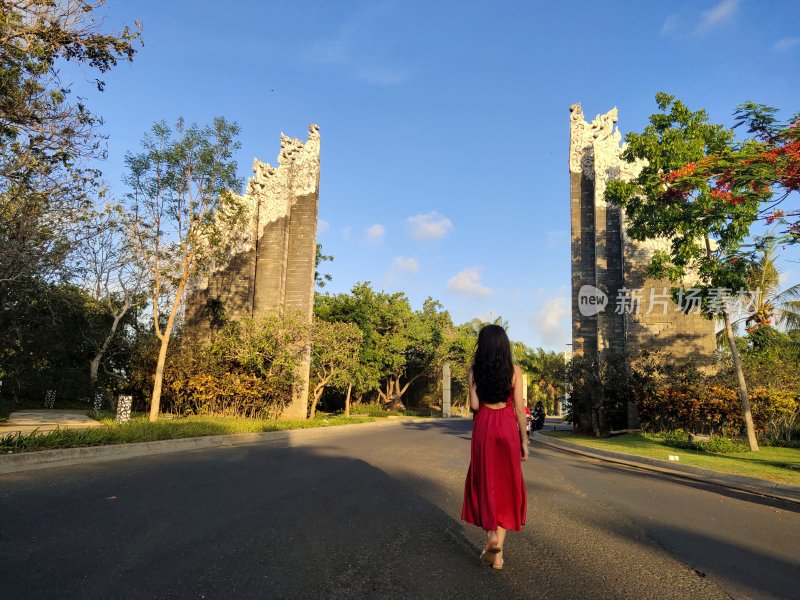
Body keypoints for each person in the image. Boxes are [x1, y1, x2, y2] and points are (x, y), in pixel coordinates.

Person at [461, 324, 528, 571]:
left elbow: (475, 405)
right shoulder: (515, 371)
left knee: (485, 481)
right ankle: (498, 557)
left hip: (485, 425)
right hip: (507, 427)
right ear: (504, 345)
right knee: (506, 485)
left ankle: (490, 537)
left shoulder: (474, 371)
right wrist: (524, 441)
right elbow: (519, 408)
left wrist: (472, 384)